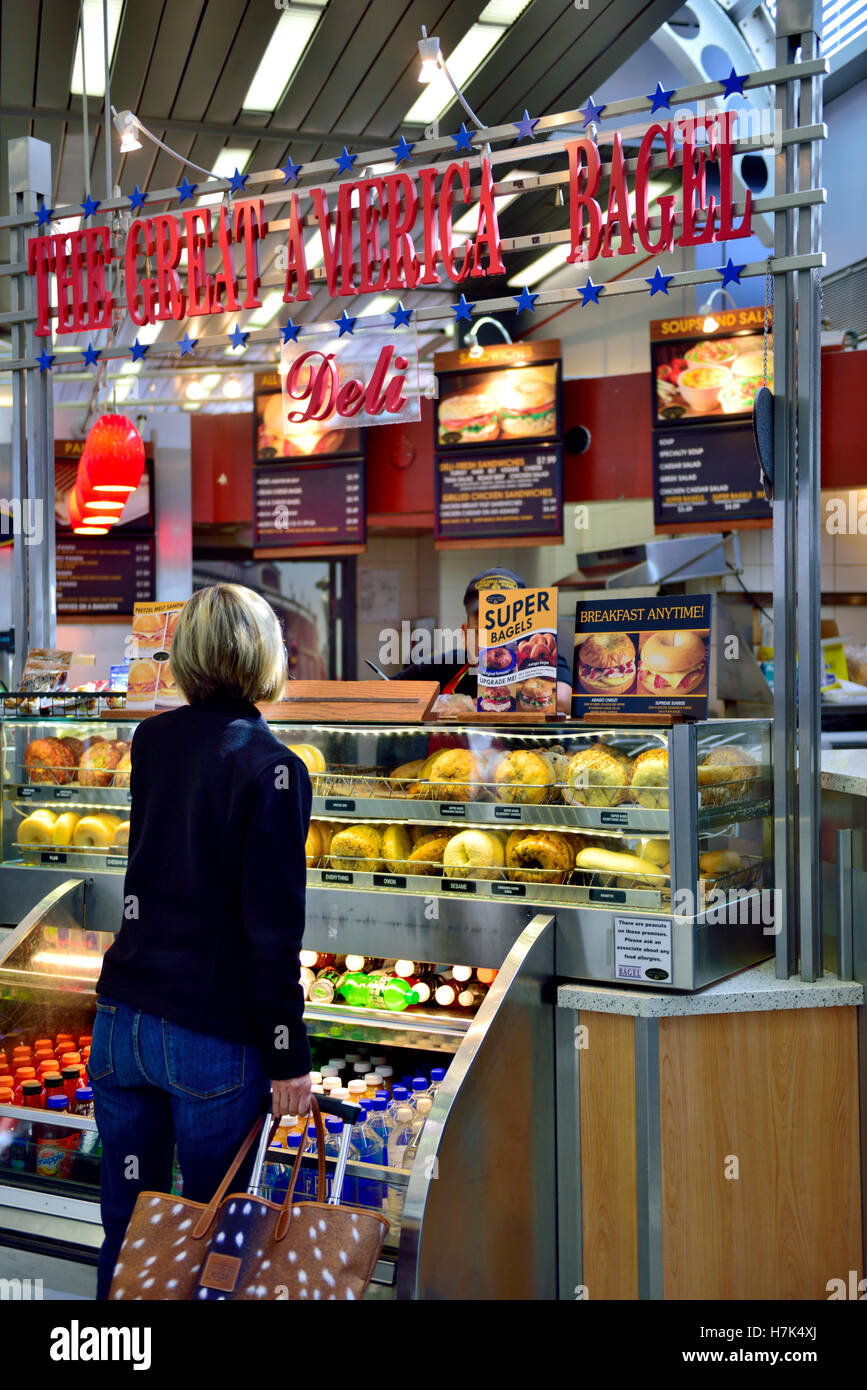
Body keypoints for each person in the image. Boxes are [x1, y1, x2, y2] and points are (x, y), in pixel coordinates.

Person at [89, 583, 313, 1300]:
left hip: (122, 1021)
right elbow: (270, 929)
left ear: (185, 655)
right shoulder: (273, 764)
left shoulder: (151, 740)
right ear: (264, 656)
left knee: (129, 1231)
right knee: (213, 1240)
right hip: (209, 1035)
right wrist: (289, 1057)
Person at [393, 566, 573, 714]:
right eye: (483, 630)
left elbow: (562, 701)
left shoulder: (542, 661)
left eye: (504, 631)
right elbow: (381, 696)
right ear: (465, 635)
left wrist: (465, 706)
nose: (493, 643)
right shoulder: (443, 666)